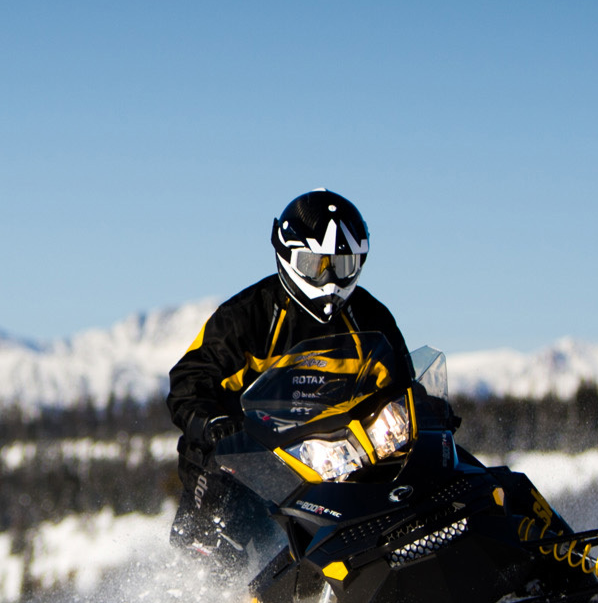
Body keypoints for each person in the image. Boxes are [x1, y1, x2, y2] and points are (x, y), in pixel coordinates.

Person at [167, 189, 413, 577]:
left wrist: (424, 411)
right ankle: (199, 597)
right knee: (215, 508)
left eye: (343, 264)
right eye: (316, 264)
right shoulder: (246, 317)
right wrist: (212, 422)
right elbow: (190, 379)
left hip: (335, 457)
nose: (330, 280)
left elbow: (402, 384)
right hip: (248, 456)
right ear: (288, 256)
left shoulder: (370, 318)